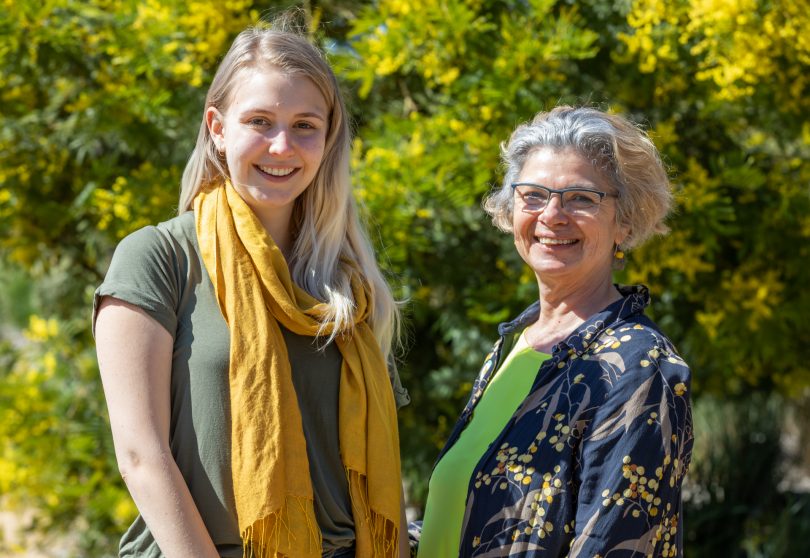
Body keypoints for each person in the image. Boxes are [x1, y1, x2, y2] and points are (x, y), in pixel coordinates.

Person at [94, 18, 410, 558]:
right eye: (259, 121)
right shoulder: (159, 257)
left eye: (305, 125)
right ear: (217, 127)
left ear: (329, 136)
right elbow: (140, 456)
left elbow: (379, 471)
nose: (282, 146)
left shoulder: (347, 282)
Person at [414, 106, 694, 557]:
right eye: (534, 195)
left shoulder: (637, 365)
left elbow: (615, 545)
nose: (553, 215)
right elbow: (474, 516)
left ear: (624, 221)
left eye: (581, 198)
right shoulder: (518, 346)